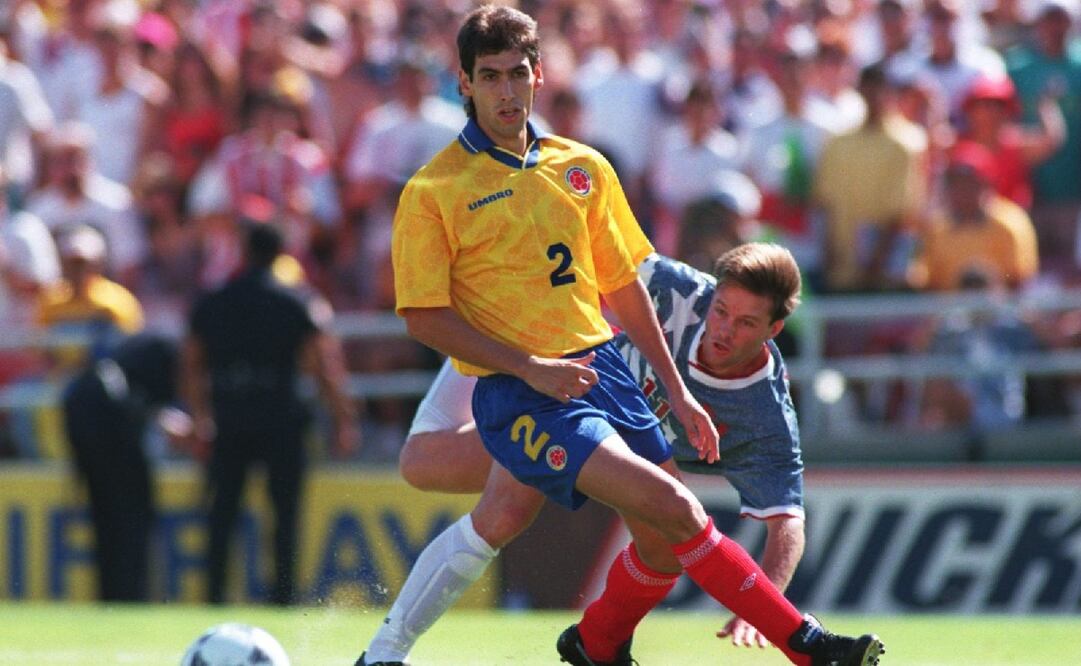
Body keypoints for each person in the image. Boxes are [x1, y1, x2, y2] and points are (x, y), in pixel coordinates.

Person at [360, 6, 882, 666]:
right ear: (463, 82)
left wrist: (676, 392)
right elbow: (422, 316)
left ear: (538, 75)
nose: (505, 91)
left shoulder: (582, 167)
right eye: (489, 76)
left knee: (656, 541)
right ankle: (807, 647)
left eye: (517, 73)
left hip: (603, 368)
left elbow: (623, 285)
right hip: (522, 389)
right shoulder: (435, 188)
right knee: (670, 504)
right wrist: (528, 367)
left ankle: (594, 645)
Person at [180, 221, 358, 606]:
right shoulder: (297, 301)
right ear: (281, 254)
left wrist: (199, 418)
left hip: (230, 414)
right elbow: (324, 365)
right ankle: (283, 596)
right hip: (282, 414)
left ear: (244, 253)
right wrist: (342, 419)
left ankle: (214, 594)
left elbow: (192, 365)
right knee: (284, 513)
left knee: (222, 511)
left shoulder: (214, 301)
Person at [61, 331, 185, 601]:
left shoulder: (135, 354)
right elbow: (139, 403)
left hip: (83, 415)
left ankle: (113, 595)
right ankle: (130, 594)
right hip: (110, 425)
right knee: (132, 518)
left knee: (106, 518)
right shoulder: (164, 353)